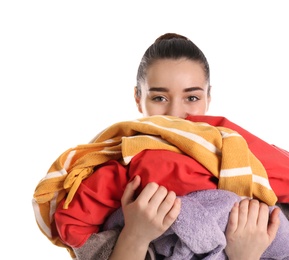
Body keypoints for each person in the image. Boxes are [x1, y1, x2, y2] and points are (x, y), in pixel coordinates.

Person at [33, 33, 289, 259]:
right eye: (159, 97)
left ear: (208, 98)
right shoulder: (111, 167)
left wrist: (245, 255)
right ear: (137, 98)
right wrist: (135, 235)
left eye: (192, 97)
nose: (176, 113)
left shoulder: (246, 157)